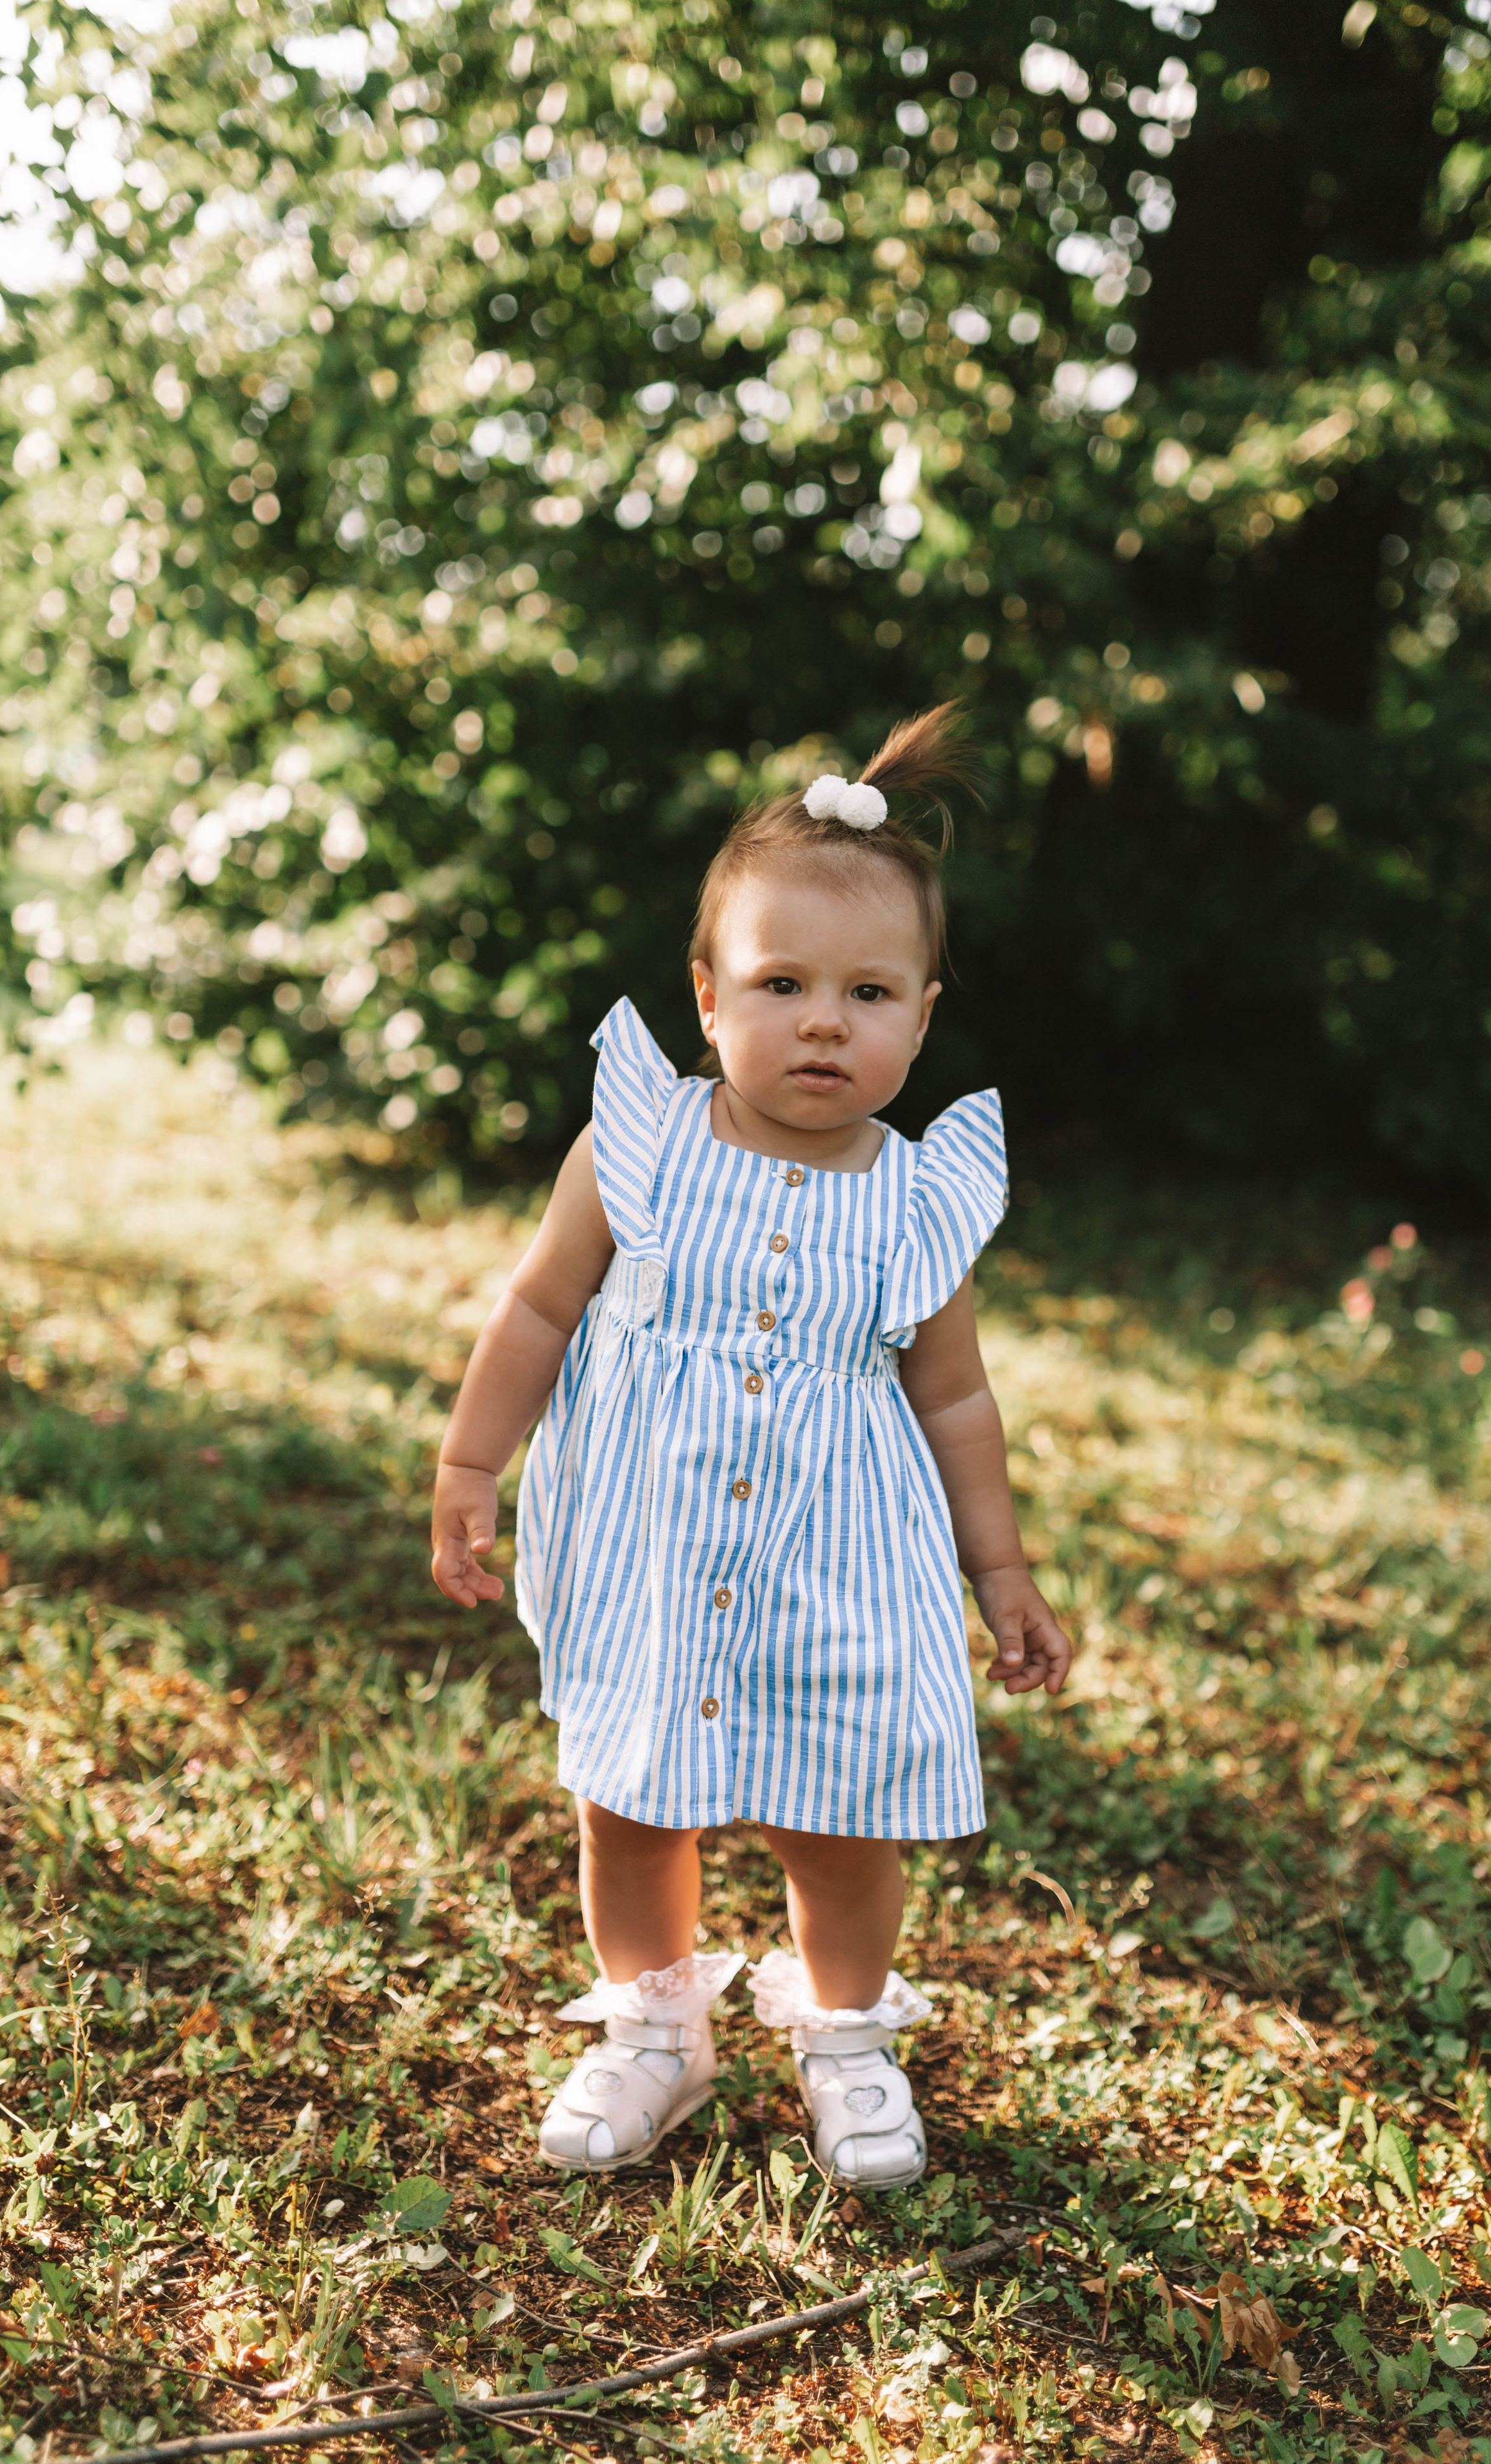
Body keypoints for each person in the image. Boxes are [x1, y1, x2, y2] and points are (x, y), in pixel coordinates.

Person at [431, 703, 1073, 2189]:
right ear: (709, 997)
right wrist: (473, 1467)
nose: (824, 1020)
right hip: (651, 1549)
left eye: (868, 990)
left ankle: (844, 2037)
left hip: (836, 1571)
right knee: (632, 1801)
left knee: (836, 1820)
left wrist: (1003, 1573)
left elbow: (955, 1401)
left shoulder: (920, 1206)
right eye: (782, 982)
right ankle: (655, 2032)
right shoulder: (638, 1147)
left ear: (920, 1014)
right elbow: (536, 1308)